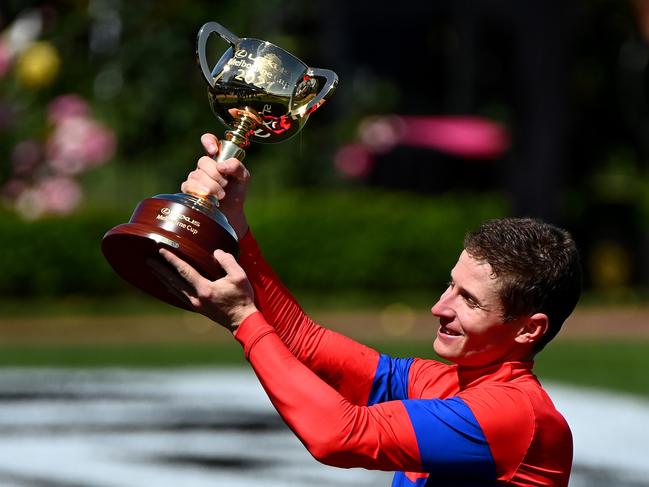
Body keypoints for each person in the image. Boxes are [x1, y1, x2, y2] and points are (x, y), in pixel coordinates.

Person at [150, 133, 582, 487]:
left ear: (529, 330)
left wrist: (246, 320)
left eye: (468, 300)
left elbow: (338, 436)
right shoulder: (445, 382)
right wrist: (234, 223)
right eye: (450, 285)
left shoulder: (513, 415)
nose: (439, 307)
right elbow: (306, 342)